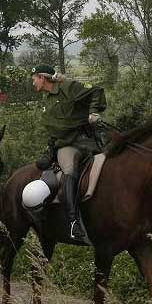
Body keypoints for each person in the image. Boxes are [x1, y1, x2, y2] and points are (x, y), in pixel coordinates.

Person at [31, 64, 107, 243]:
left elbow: (96, 90)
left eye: (34, 78)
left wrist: (93, 112)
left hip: (86, 140)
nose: (33, 82)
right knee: (69, 170)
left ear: (42, 78)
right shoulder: (47, 100)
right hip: (67, 146)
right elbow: (56, 129)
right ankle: (73, 222)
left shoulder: (67, 87)